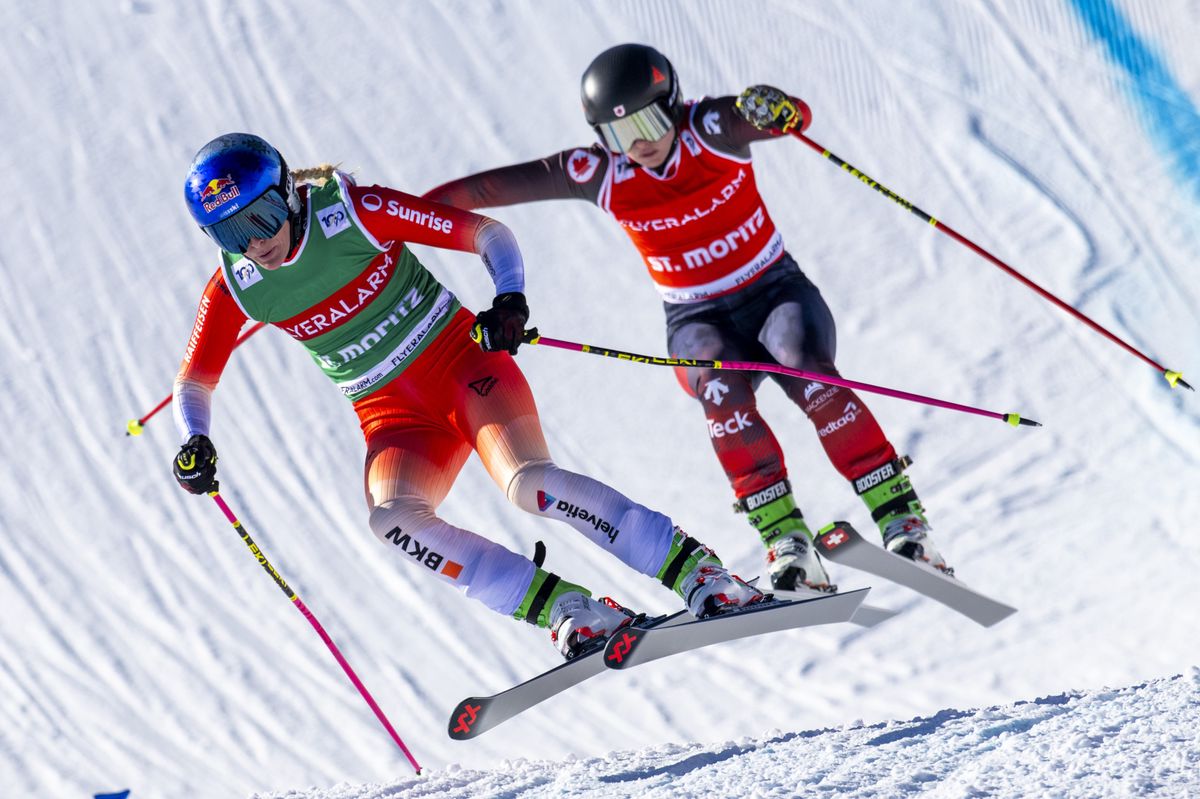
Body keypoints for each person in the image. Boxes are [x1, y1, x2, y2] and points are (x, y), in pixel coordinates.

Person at [171, 132, 764, 661]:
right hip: (394, 420)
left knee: (528, 483)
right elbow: (193, 378)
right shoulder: (237, 286)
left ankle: (700, 571)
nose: (254, 243)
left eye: (263, 216)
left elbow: (488, 233)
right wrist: (194, 438)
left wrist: (508, 299)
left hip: (464, 370)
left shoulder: (353, 213)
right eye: (229, 232)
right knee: (393, 520)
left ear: (289, 193)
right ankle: (568, 609)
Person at [422, 43, 951, 592]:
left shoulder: (713, 128)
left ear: (672, 105)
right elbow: (484, 190)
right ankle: (786, 540)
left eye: (650, 122)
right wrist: (404, 218)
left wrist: (782, 111)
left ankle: (900, 519)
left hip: (774, 292)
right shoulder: (598, 172)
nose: (641, 144)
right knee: (722, 397)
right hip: (697, 316)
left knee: (810, 372)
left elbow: (791, 118)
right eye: (620, 135)